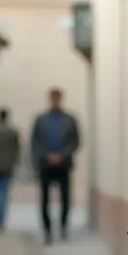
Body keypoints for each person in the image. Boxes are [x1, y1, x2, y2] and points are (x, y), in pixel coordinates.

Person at [30, 88, 80, 242]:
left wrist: (62, 155)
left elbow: (75, 141)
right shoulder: (41, 120)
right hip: (45, 165)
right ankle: (47, 230)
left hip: (63, 164)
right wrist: (46, 156)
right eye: (53, 99)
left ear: (61, 100)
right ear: (49, 100)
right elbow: (35, 142)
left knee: (65, 197)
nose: (55, 102)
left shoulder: (70, 120)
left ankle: (63, 225)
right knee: (45, 199)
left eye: (57, 99)